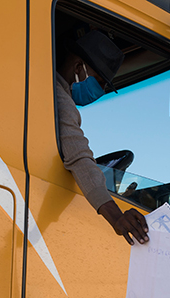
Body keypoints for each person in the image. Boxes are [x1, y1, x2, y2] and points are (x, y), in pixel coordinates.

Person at [55, 30, 148, 245]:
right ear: (79, 68)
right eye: (100, 82)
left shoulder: (53, 91)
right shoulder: (59, 100)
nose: (102, 90)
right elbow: (78, 157)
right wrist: (116, 217)